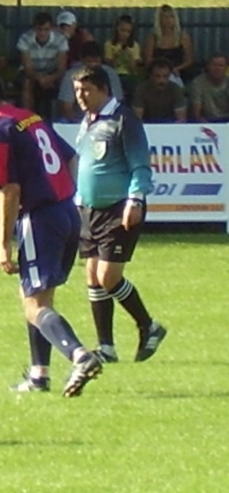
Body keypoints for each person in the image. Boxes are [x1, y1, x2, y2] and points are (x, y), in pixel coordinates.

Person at [0, 61, 103, 397]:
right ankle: (39, 375)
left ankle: (80, 355)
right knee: (37, 298)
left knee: (34, 305)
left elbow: (9, 190)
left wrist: (3, 246)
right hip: (66, 212)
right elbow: (69, 158)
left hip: (40, 219)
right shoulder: (30, 118)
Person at [71, 64, 167, 363]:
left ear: (103, 89)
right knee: (92, 275)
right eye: (77, 91)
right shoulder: (88, 121)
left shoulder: (124, 119)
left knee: (108, 276)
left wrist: (135, 200)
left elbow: (140, 162)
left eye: (86, 90)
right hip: (89, 208)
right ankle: (106, 347)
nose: (81, 97)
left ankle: (149, 326)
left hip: (118, 207)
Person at [16, 11, 68, 119]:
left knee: (67, 82)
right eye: (40, 29)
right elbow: (27, 68)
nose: (43, 33)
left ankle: (63, 119)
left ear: (52, 28)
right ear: (34, 29)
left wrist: (50, 78)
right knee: (27, 83)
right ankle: (28, 120)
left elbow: (61, 68)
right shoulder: (25, 39)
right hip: (31, 74)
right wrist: (40, 79)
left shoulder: (61, 40)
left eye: (46, 29)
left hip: (52, 73)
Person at [57, 41, 123, 123]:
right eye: (89, 61)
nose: (93, 65)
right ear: (82, 60)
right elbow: (66, 108)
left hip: (107, 120)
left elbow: (118, 102)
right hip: (77, 121)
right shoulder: (71, 75)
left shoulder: (111, 74)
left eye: (96, 61)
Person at [142, 4, 194, 86]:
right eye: (165, 17)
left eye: (171, 16)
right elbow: (148, 61)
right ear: (159, 19)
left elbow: (189, 60)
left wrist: (177, 69)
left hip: (178, 73)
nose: (168, 20)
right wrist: (160, 71)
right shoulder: (152, 38)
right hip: (158, 74)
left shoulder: (183, 37)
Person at [132, 58, 187, 123]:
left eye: (165, 76)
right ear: (151, 76)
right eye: (157, 76)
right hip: (147, 126)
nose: (161, 80)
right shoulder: (141, 89)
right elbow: (137, 119)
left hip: (170, 126)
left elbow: (181, 120)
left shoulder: (176, 89)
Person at [189, 53, 229, 123]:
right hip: (207, 121)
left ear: (226, 68)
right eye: (214, 65)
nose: (217, 68)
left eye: (221, 65)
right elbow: (196, 114)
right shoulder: (197, 83)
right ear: (208, 66)